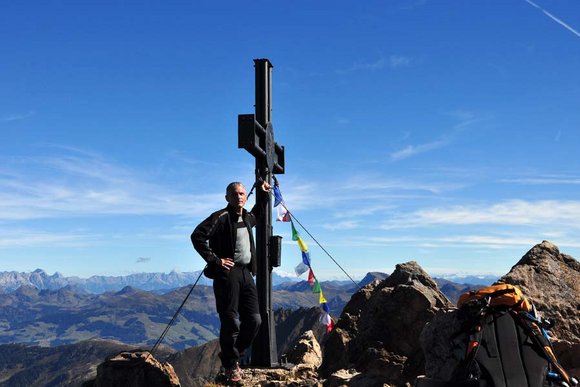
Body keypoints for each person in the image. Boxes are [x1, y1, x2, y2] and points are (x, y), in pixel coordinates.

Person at [191, 180, 270, 383]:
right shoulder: (221, 217)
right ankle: (231, 365)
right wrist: (215, 260)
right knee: (231, 321)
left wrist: (262, 193)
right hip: (228, 274)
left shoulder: (247, 217)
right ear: (227, 197)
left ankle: (232, 358)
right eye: (235, 194)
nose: (239, 197)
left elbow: (259, 213)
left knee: (255, 320)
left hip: (246, 274)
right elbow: (197, 236)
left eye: (242, 193)